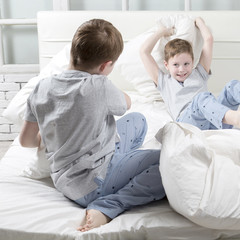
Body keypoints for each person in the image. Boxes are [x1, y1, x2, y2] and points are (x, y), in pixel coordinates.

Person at [19, 19, 165, 232]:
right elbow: (126, 103)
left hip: (64, 182)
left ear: (73, 51)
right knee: (167, 162)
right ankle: (108, 206)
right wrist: (103, 81)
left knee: (138, 122)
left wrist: (52, 131)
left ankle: (120, 165)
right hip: (94, 185)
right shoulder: (99, 85)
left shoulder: (42, 87)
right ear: (105, 65)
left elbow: (26, 141)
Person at [140, 17, 240, 132]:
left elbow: (209, 39)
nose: (182, 69)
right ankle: (238, 118)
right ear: (166, 65)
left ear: (193, 62)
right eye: (175, 65)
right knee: (202, 98)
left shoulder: (198, 73)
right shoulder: (164, 81)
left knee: (231, 86)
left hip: (215, 119)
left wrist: (199, 22)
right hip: (188, 123)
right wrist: (161, 32)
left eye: (186, 64)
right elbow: (143, 52)